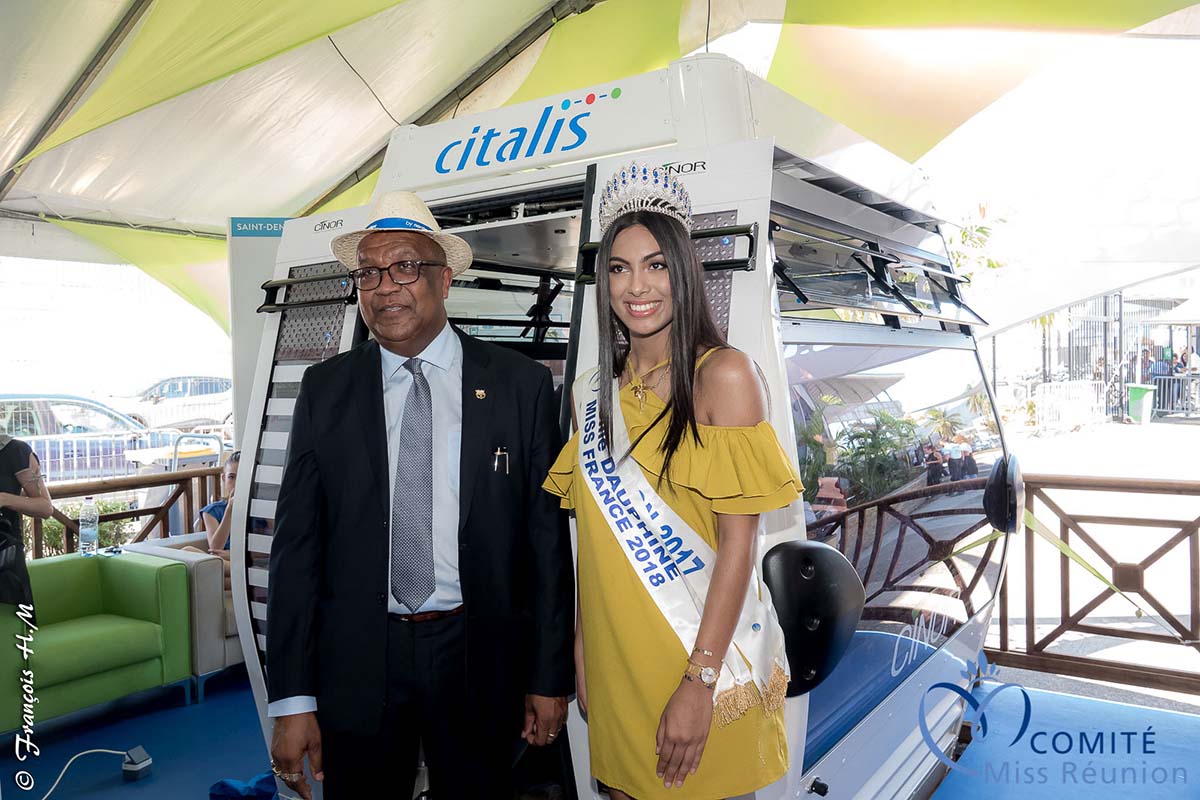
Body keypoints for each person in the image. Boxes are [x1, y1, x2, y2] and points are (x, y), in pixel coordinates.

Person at [267, 191, 574, 800]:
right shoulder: (325, 389)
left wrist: (548, 677)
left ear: (445, 278)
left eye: (405, 266)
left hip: (478, 654)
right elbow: (295, 551)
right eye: (369, 272)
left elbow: (545, 546)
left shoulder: (521, 387)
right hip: (358, 657)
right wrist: (293, 701)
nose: (385, 287)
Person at [543, 163, 802, 799]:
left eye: (656, 265)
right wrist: (581, 646)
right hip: (614, 655)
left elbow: (739, 546)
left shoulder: (724, 377)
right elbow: (594, 548)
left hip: (694, 655)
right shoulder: (591, 395)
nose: (638, 286)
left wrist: (700, 681)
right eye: (619, 267)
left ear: (684, 272)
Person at [0, 433, 53, 614]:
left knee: (12, 631)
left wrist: (4, 498)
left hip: (5, 558)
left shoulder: (15, 450)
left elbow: (45, 507)